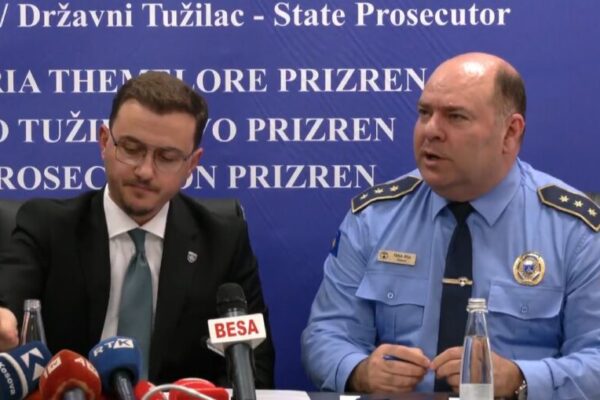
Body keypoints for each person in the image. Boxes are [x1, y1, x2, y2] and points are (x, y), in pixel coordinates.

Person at [301, 52, 600, 399]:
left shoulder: (573, 230)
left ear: (510, 132)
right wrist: (360, 370)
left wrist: (520, 379)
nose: (431, 131)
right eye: (424, 113)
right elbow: (325, 334)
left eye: (456, 117)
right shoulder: (375, 217)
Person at [0, 71, 275, 386]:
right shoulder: (47, 226)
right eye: (131, 149)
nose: (145, 171)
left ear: (191, 165)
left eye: (167, 157)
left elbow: (253, 368)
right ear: (105, 141)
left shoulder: (223, 242)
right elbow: (9, 302)